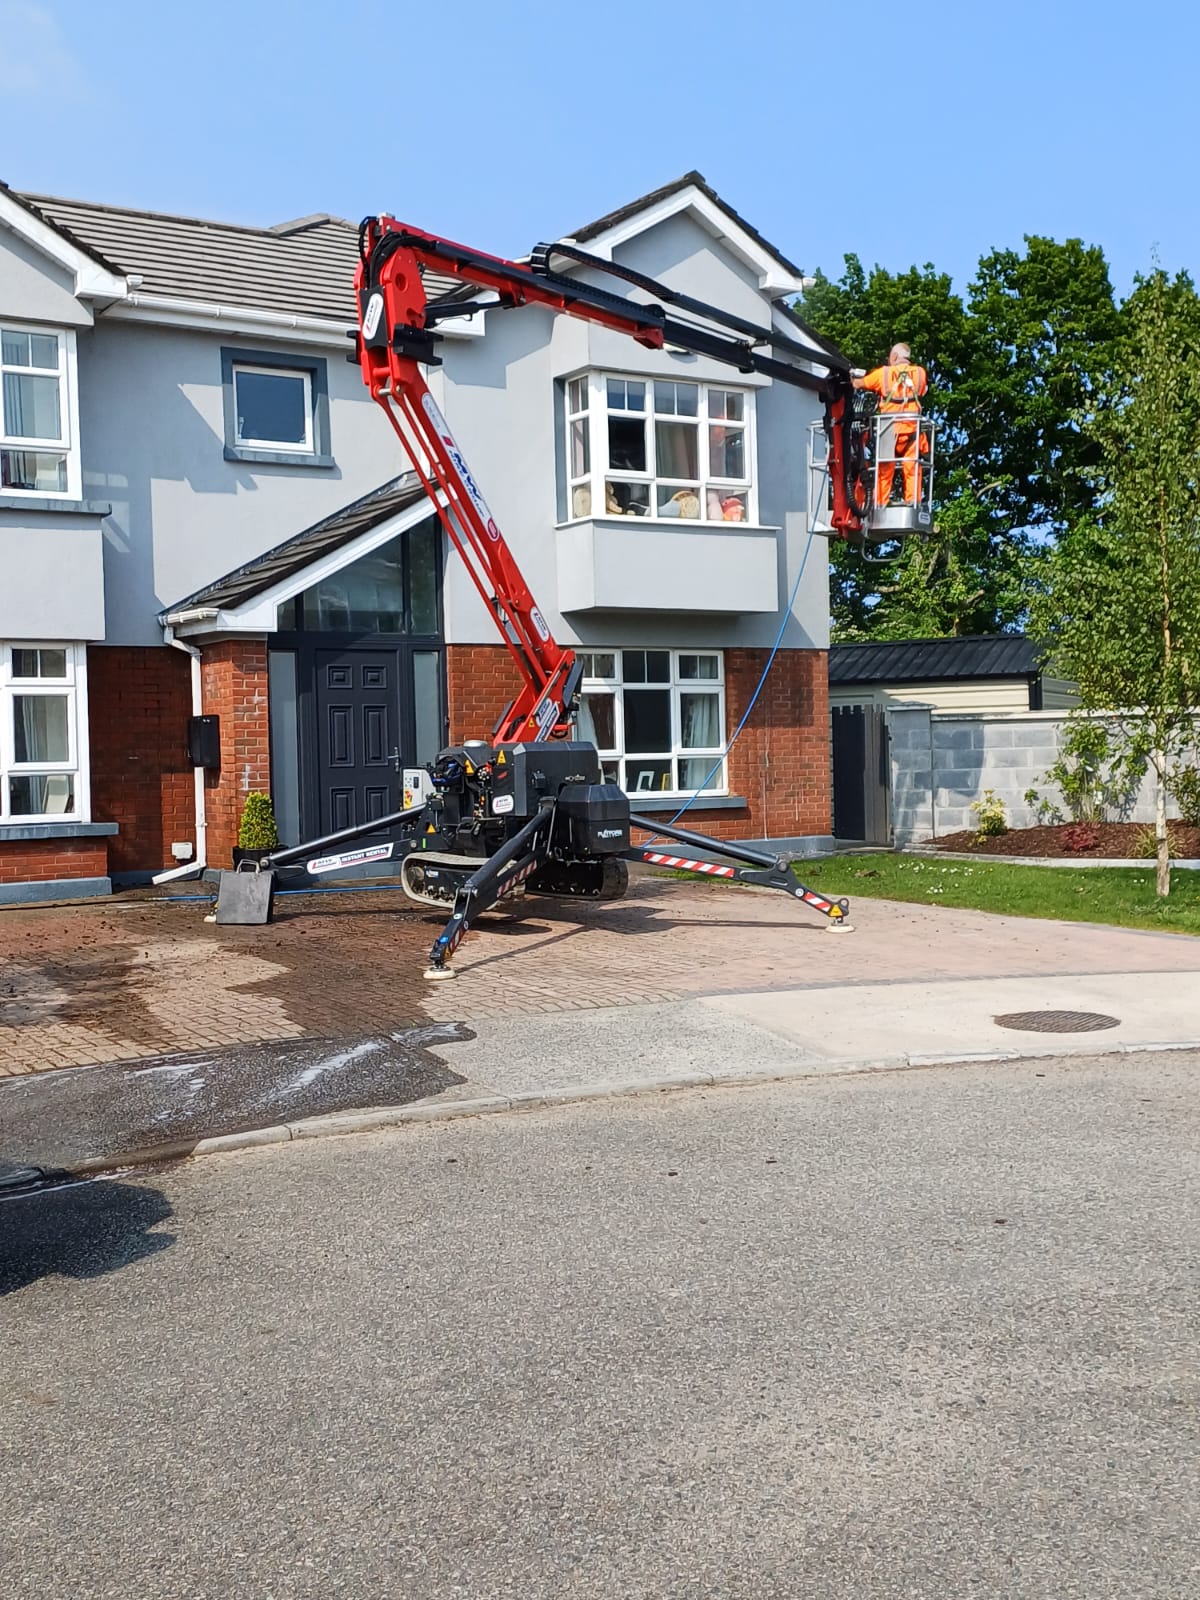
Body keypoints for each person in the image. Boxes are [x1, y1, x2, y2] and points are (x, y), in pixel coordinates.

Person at [852, 343, 928, 507]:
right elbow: (922, 391)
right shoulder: (920, 373)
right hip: (912, 430)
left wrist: (851, 377)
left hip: (889, 429)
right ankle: (913, 504)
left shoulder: (883, 373)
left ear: (894, 357)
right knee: (913, 468)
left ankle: (881, 504)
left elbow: (859, 384)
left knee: (884, 469)